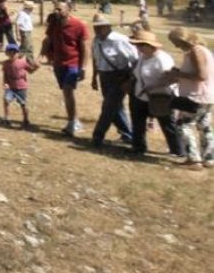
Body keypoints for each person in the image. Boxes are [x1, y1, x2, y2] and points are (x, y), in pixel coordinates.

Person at [128, 30, 183, 158]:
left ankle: (178, 150)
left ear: (149, 45)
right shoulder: (143, 57)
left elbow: (172, 78)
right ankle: (138, 147)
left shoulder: (162, 59)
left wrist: (154, 86)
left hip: (160, 97)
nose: (138, 48)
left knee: (167, 124)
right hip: (140, 96)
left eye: (140, 45)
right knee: (138, 123)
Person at [39, 1, 90, 137]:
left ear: (68, 10)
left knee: (68, 90)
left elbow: (85, 47)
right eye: (56, 9)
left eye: (60, 9)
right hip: (58, 63)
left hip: (73, 63)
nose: (57, 12)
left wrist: (83, 67)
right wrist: (41, 56)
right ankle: (74, 120)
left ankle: (72, 122)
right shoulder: (53, 24)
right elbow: (47, 40)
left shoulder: (79, 25)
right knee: (66, 93)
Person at [166, 28, 214, 168]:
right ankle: (209, 158)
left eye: (176, 42)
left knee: (183, 125)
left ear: (183, 39)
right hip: (208, 96)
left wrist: (178, 75)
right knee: (204, 127)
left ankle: (193, 159)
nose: (176, 46)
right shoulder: (203, 50)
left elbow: (201, 76)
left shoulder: (195, 52)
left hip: (196, 96)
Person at [90, 13, 137, 148]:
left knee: (108, 107)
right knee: (116, 108)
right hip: (104, 76)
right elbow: (96, 58)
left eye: (100, 27)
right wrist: (94, 77)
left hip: (119, 77)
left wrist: (129, 79)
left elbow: (134, 60)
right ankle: (128, 135)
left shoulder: (120, 40)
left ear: (108, 26)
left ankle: (97, 136)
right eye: (95, 27)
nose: (97, 30)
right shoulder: (96, 40)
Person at [1, 43, 38, 128]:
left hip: (21, 87)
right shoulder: (5, 64)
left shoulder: (22, 63)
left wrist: (36, 67)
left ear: (18, 53)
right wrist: (5, 83)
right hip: (10, 87)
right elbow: (5, 74)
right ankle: (6, 118)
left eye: (14, 52)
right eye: (10, 52)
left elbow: (30, 71)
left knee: (23, 104)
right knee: (6, 101)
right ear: (6, 53)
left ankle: (26, 119)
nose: (12, 54)